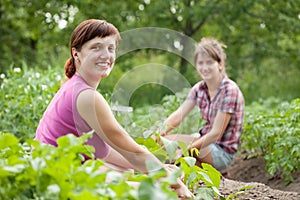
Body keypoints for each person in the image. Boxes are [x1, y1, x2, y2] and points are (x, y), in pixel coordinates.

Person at [35, 19, 193, 198]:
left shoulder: (74, 86)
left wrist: (160, 169)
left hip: (52, 174)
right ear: (76, 53)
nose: (106, 55)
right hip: (60, 185)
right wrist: (170, 180)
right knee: (163, 194)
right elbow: (132, 152)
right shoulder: (87, 97)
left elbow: (112, 151)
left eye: (111, 49)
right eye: (96, 47)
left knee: (125, 169)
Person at [159, 37, 244, 172]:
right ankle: (198, 168)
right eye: (200, 63)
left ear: (220, 64)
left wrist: (185, 151)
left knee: (182, 155)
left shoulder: (229, 90)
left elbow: (216, 133)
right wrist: (157, 134)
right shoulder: (199, 88)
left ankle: (210, 169)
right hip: (204, 142)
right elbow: (177, 116)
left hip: (221, 151)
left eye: (209, 63)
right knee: (163, 142)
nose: (205, 68)